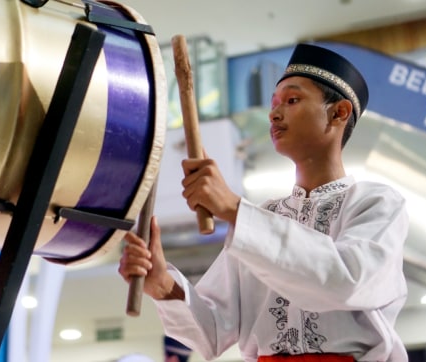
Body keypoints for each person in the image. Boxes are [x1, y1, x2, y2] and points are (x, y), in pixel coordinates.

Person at [118, 43, 409, 362]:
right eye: (274, 103)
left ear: (339, 112)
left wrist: (234, 209)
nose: (274, 113)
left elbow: (345, 281)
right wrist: (163, 284)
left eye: (292, 100)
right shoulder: (264, 218)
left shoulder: (376, 203)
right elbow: (214, 331)